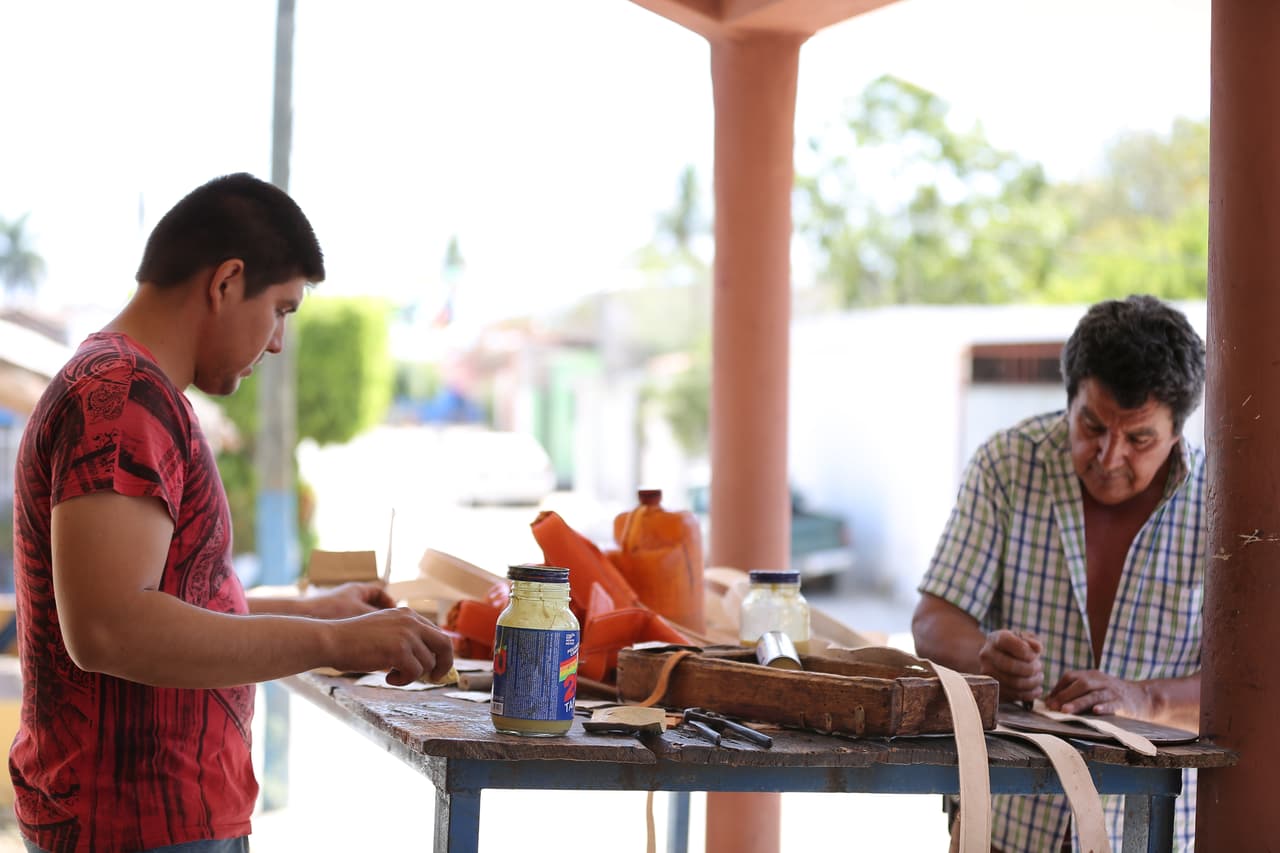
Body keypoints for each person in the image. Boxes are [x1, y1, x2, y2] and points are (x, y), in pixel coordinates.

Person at [10, 173, 454, 853]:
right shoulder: (122, 394)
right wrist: (336, 644)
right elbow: (109, 628)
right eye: (281, 309)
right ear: (225, 282)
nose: (277, 342)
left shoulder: (133, 388)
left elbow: (165, 598)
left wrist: (314, 611)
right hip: (136, 828)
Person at [912, 295, 1206, 852]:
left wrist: (1147, 700)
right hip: (1005, 820)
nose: (1108, 455)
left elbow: (1256, 688)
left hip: (1154, 829)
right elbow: (931, 621)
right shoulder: (1007, 464)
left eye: (1139, 438)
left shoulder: (1220, 503)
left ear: (1176, 432)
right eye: (1092, 425)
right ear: (1068, 401)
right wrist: (985, 656)